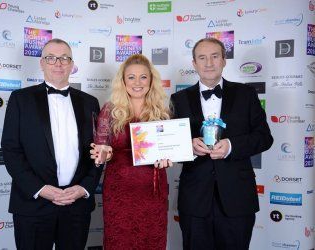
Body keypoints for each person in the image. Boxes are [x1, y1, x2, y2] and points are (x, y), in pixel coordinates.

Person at [170, 37, 273, 250]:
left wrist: (231, 146)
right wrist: (188, 146)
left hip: (237, 198)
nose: (209, 63)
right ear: (194, 64)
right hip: (195, 199)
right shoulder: (178, 99)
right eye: (202, 57)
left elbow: (264, 137)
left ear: (224, 60)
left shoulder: (246, 94)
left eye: (215, 56)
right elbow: (170, 146)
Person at [1, 38, 102, 250]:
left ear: (72, 64)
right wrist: (40, 189)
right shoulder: (21, 99)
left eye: (64, 58)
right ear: (41, 63)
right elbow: (11, 151)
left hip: (76, 206)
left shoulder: (90, 102)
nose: (58, 63)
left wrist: (84, 188)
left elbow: (98, 152)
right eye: (51, 58)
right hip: (33, 205)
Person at [90, 54, 172, 250]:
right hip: (120, 189)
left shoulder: (162, 112)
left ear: (151, 81)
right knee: (120, 241)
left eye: (143, 77)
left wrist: (169, 159)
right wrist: (104, 155)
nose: (137, 82)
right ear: (123, 81)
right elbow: (100, 149)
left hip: (152, 189)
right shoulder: (109, 110)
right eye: (131, 77)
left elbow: (169, 149)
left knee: (152, 239)